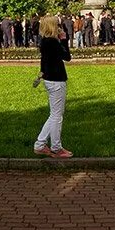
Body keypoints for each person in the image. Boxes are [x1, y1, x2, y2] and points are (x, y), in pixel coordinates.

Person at [32, 15, 72, 159]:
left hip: (49, 79)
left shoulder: (44, 42)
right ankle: (56, 147)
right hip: (56, 80)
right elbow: (67, 57)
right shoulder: (53, 42)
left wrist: (41, 74)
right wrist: (64, 40)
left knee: (54, 115)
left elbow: (44, 62)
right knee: (56, 116)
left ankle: (40, 144)